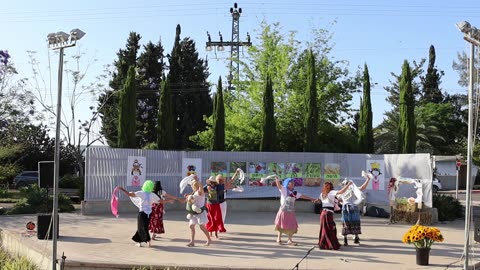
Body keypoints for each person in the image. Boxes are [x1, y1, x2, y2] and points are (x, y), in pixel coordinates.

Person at [274, 176, 316, 246]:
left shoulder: (294, 193)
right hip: (283, 210)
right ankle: (279, 239)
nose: (293, 184)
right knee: (280, 224)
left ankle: (289, 240)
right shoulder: (284, 190)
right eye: (291, 183)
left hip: (290, 212)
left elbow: (303, 196)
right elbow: (279, 185)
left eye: (293, 183)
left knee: (292, 225)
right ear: (287, 184)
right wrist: (277, 180)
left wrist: (312, 199)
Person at [117, 180, 159, 248]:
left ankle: (142, 242)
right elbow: (160, 201)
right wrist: (170, 200)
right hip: (149, 213)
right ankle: (147, 242)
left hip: (142, 213)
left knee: (140, 227)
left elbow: (130, 194)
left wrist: (122, 189)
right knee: (145, 227)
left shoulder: (141, 193)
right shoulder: (152, 195)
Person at [338, 174, 371, 246]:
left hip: (346, 208)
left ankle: (345, 239)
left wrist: (342, 203)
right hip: (353, 207)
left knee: (346, 223)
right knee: (355, 222)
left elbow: (339, 199)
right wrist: (367, 180)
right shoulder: (352, 190)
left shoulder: (342, 191)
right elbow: (362, 188)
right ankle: (356, 237)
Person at [316, 181, 350, 250]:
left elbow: (319, 200)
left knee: (324, 229)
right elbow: (341, 191)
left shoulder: (322, 194)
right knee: (330, 229)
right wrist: (348, 184)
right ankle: (331, 244)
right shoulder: (331, 192)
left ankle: (323, 244)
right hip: (328, 213)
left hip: (323, 213)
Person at [179, 176, 212, 247]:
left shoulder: (200, 192)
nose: (191, 186)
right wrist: (186, 198)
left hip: (200, 212)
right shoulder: (194, 192)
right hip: (194, 213)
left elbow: (200, 186)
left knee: (202, 227)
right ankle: (192, 241)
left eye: (192, 185)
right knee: (191, 226)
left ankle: (209, 239)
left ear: (195, 186)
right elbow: (192, 200)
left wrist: (197, 180)